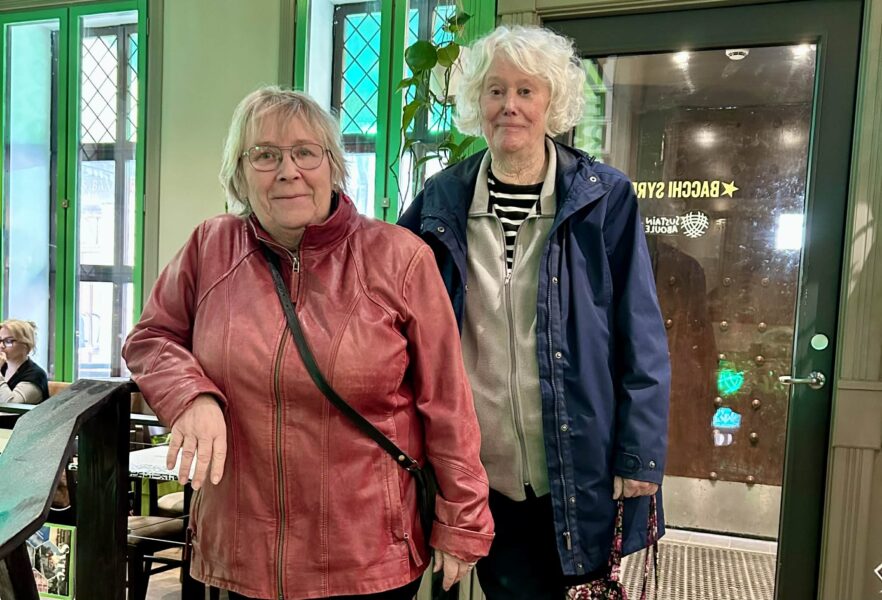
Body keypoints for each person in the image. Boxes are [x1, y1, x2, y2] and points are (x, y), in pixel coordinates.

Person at [122, 86, 493, 600]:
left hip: (365, 555)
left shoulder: (399, 258)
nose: (287, 171)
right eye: (264, 155)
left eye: (305, 153)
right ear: (239, 173)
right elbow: (151, 337)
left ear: (333, 165)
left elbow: (448, 404)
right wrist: (192, 396)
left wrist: (463, 521)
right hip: (243, 551)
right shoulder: (210, 248)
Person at [398, 25, 671, 599]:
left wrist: (639, 455)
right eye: (496, 90)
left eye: (526, 91)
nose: (510, 105)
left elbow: (641, 334)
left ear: (553, 101)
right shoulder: (440, 200)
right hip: (482, 475)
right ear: (477, 101)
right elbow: (391, 307)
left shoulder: (603, 198)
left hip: (580, 466)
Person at [0, 319, 49, 404]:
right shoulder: (3, 367)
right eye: (0, 340)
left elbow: (11, 404)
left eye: (8, 341)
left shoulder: (36, 374)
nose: (1, 346)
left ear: (26, 344)